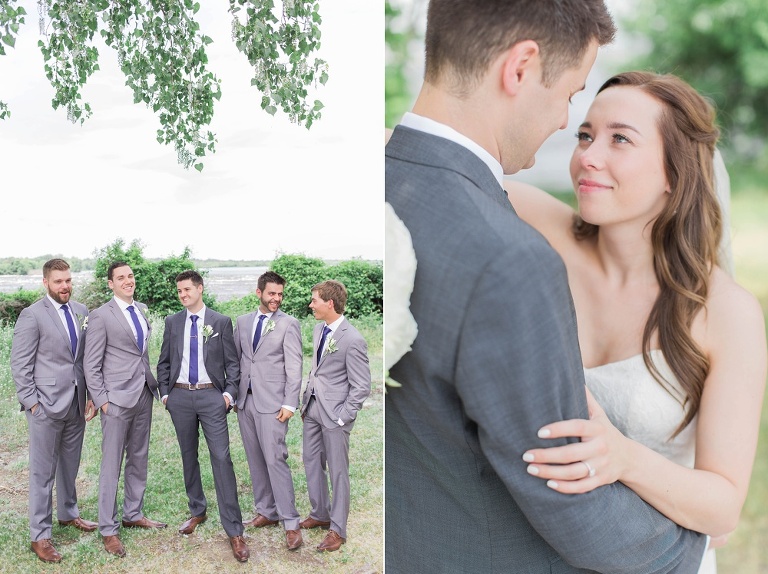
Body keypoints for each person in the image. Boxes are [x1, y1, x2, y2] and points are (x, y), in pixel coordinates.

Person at [385, 1, 711, 572]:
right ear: (521, 67)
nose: (567, 125)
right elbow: (562, 492)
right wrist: (689, 548)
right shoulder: (512, 259)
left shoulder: (382, 183)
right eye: (568, 95)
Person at [506, 71, 767, 574]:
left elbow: (723, 505)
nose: (587, 156)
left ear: (674, 171)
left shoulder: (724, 312)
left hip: (657, 558)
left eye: (619, 139)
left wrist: (623, 459)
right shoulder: (542, 227)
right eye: (585, 135)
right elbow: (436, 164)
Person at [156, 270, 249, 562]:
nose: (183, 295)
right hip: (180, 396)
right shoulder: (172, 322)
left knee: (221, 457)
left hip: (212, 396)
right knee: (188, 455)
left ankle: (234, 530)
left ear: (200, 288)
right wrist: (166, 395)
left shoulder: (220, 322)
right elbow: (164, 362)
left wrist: (228, 395)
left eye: (187, 289)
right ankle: (197, 510)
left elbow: (233, 365)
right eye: (179, 291)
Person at [10, 258, 98, 563]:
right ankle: (40, 535)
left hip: (76, 401)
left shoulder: (81, 311)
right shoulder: (31, 315)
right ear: (46, 282)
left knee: (69, 465)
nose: (65, 286)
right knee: (42, 472)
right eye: (59, 281)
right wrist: (32, 403)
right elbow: (20, 365)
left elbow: (83, 359)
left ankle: (68, 513)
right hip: (45, 405)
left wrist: (90, 394)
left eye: (69, 280)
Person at [84, 261, 166, 558]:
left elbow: (139, 352)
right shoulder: (100, 316)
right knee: (111, 464)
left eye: (130, 276)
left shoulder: (141, 309)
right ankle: (108, 528)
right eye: (121, 278)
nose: (127, 281)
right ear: (111, 284)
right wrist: (103, 400)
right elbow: (91, 364)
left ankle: (133, 512)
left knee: (139, 457)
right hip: (116, 400)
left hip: (144, 392)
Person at [234, 271, 304, 551]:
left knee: (276, 459)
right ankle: (266, 511)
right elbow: (238, 359)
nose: (276, 299)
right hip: (245, 402)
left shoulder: (289, 324)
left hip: (274, 403)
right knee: (254, 458)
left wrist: (289, 403)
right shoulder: (242, 322)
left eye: (280, 294)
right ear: (259, 292)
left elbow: (294, 366)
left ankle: (291, 522)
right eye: (271, 293)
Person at [300, 280, 371, 552]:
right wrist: (307, 401)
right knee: (310, 461)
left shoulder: (353, 339)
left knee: (338, 472)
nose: (311, 305)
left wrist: (344, 417)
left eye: (315, 300)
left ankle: (338, 530)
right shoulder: (319, 330)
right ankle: (320, 513)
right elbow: (316, 370)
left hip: (335, 416)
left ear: (330, 303)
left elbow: (361, 385)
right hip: (313, 409)